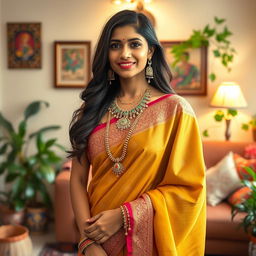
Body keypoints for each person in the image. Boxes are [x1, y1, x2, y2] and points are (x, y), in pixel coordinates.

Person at [69, 10, 206, 256]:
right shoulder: (91, 110)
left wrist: (124, 215)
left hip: (147, 242)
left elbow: (190, 190)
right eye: (115, 45)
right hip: (96, 242)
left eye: (135, 44)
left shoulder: (175, 111)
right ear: (106, 53)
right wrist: (87, 243)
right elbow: (78, 180)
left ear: (150, 51)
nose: (124, 54)